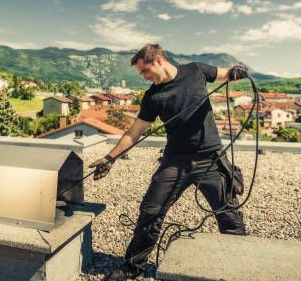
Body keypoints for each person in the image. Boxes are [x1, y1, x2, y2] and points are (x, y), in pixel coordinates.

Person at [90, 44, 249, 280]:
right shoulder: (153, 97)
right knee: (150, 211)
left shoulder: (196, 71)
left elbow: (228, 73)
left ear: (158, 60)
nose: (145, 77)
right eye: (142, 74)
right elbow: (133, 133)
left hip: (210, 158)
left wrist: (239, 70)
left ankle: (244, 266)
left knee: (228, 213)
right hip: (175, 161)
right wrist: (110, 158)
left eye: (145, 71)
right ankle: (132, 267)